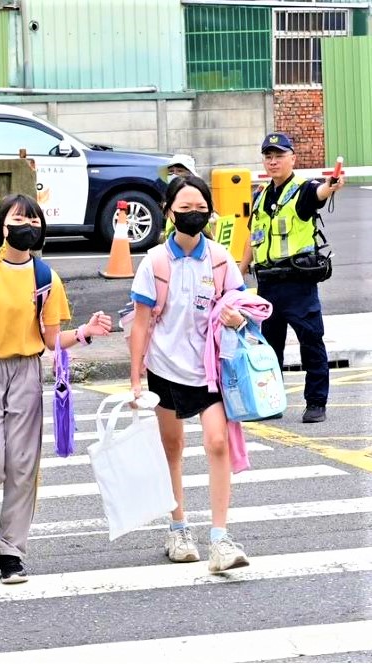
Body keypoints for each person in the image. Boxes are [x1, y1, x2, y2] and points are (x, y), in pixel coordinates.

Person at [0, 193, 112, 584]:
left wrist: (85, 332)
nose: (27, 227)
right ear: (2, 225)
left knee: (22, 467)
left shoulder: (46, 278)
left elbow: (50, 340)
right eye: (19, 220)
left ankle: (11, 551)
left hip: (27, 373)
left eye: (34, 221)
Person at [129, 175, 251, 573]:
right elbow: (141, 324)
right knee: (172, 446)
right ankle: (178, 528)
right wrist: (135, 379)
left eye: (201, 208)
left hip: (209, 368)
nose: (193, 214)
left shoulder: (219, 258)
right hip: (164, 366)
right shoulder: (154, 262)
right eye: (185, 208)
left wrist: (236, 318)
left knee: (218, 442)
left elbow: (243, 308)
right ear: (169, 212)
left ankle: (220, 539)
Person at [239, 132, 344, 424]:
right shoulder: (260, 195)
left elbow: (321, 192)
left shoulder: (303, 190)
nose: (273, 161)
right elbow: (252, 236)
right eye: (268, 156)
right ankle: (271, 401)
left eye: (279, 156)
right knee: (268, 349)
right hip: (267, 284)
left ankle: (316, 403)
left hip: (298, 283)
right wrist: (239, 270)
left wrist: (330, 186)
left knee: (311, 342)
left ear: (293, 158)